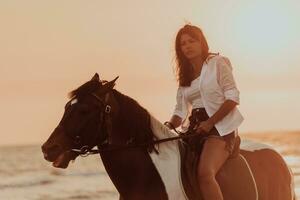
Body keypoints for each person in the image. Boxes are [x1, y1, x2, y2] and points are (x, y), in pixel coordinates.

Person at [164, 24, 244, 200]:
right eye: (183, 43)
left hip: (221, 128)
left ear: (201, 42)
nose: (187, 46)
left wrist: (209, 123)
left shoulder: (218, 63)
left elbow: (232, 97)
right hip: (194, 127)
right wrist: (167, 126)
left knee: (204, 174)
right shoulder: (185, 75)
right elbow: (180, 111)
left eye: (192, 41)